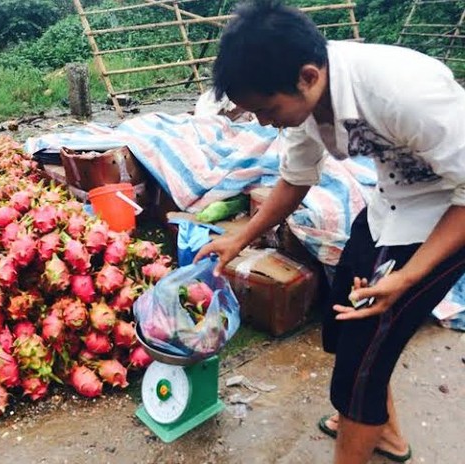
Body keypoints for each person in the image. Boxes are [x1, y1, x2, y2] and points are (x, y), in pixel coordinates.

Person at [194, 1, 465, 463]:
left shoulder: (405, 93)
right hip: (389, 201)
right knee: (343, 321)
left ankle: (362, 420)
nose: (264, 121)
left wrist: (407, 277)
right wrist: (242, 235)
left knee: (362, 364)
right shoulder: (303, 102)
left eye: (267, 109)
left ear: (308, 76)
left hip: (446, 214)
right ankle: (384, 432)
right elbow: (297, 177)